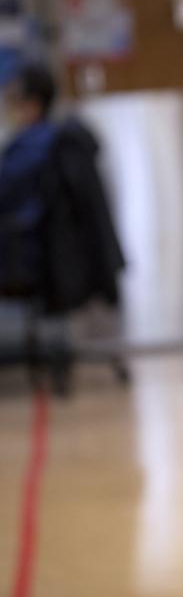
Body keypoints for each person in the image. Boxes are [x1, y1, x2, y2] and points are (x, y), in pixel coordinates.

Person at [0, 61, 126, 393]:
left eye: (15, 100)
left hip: (37, 256)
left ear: (32, 103)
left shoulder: (32, 147)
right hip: (64, 255)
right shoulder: (64, 139)